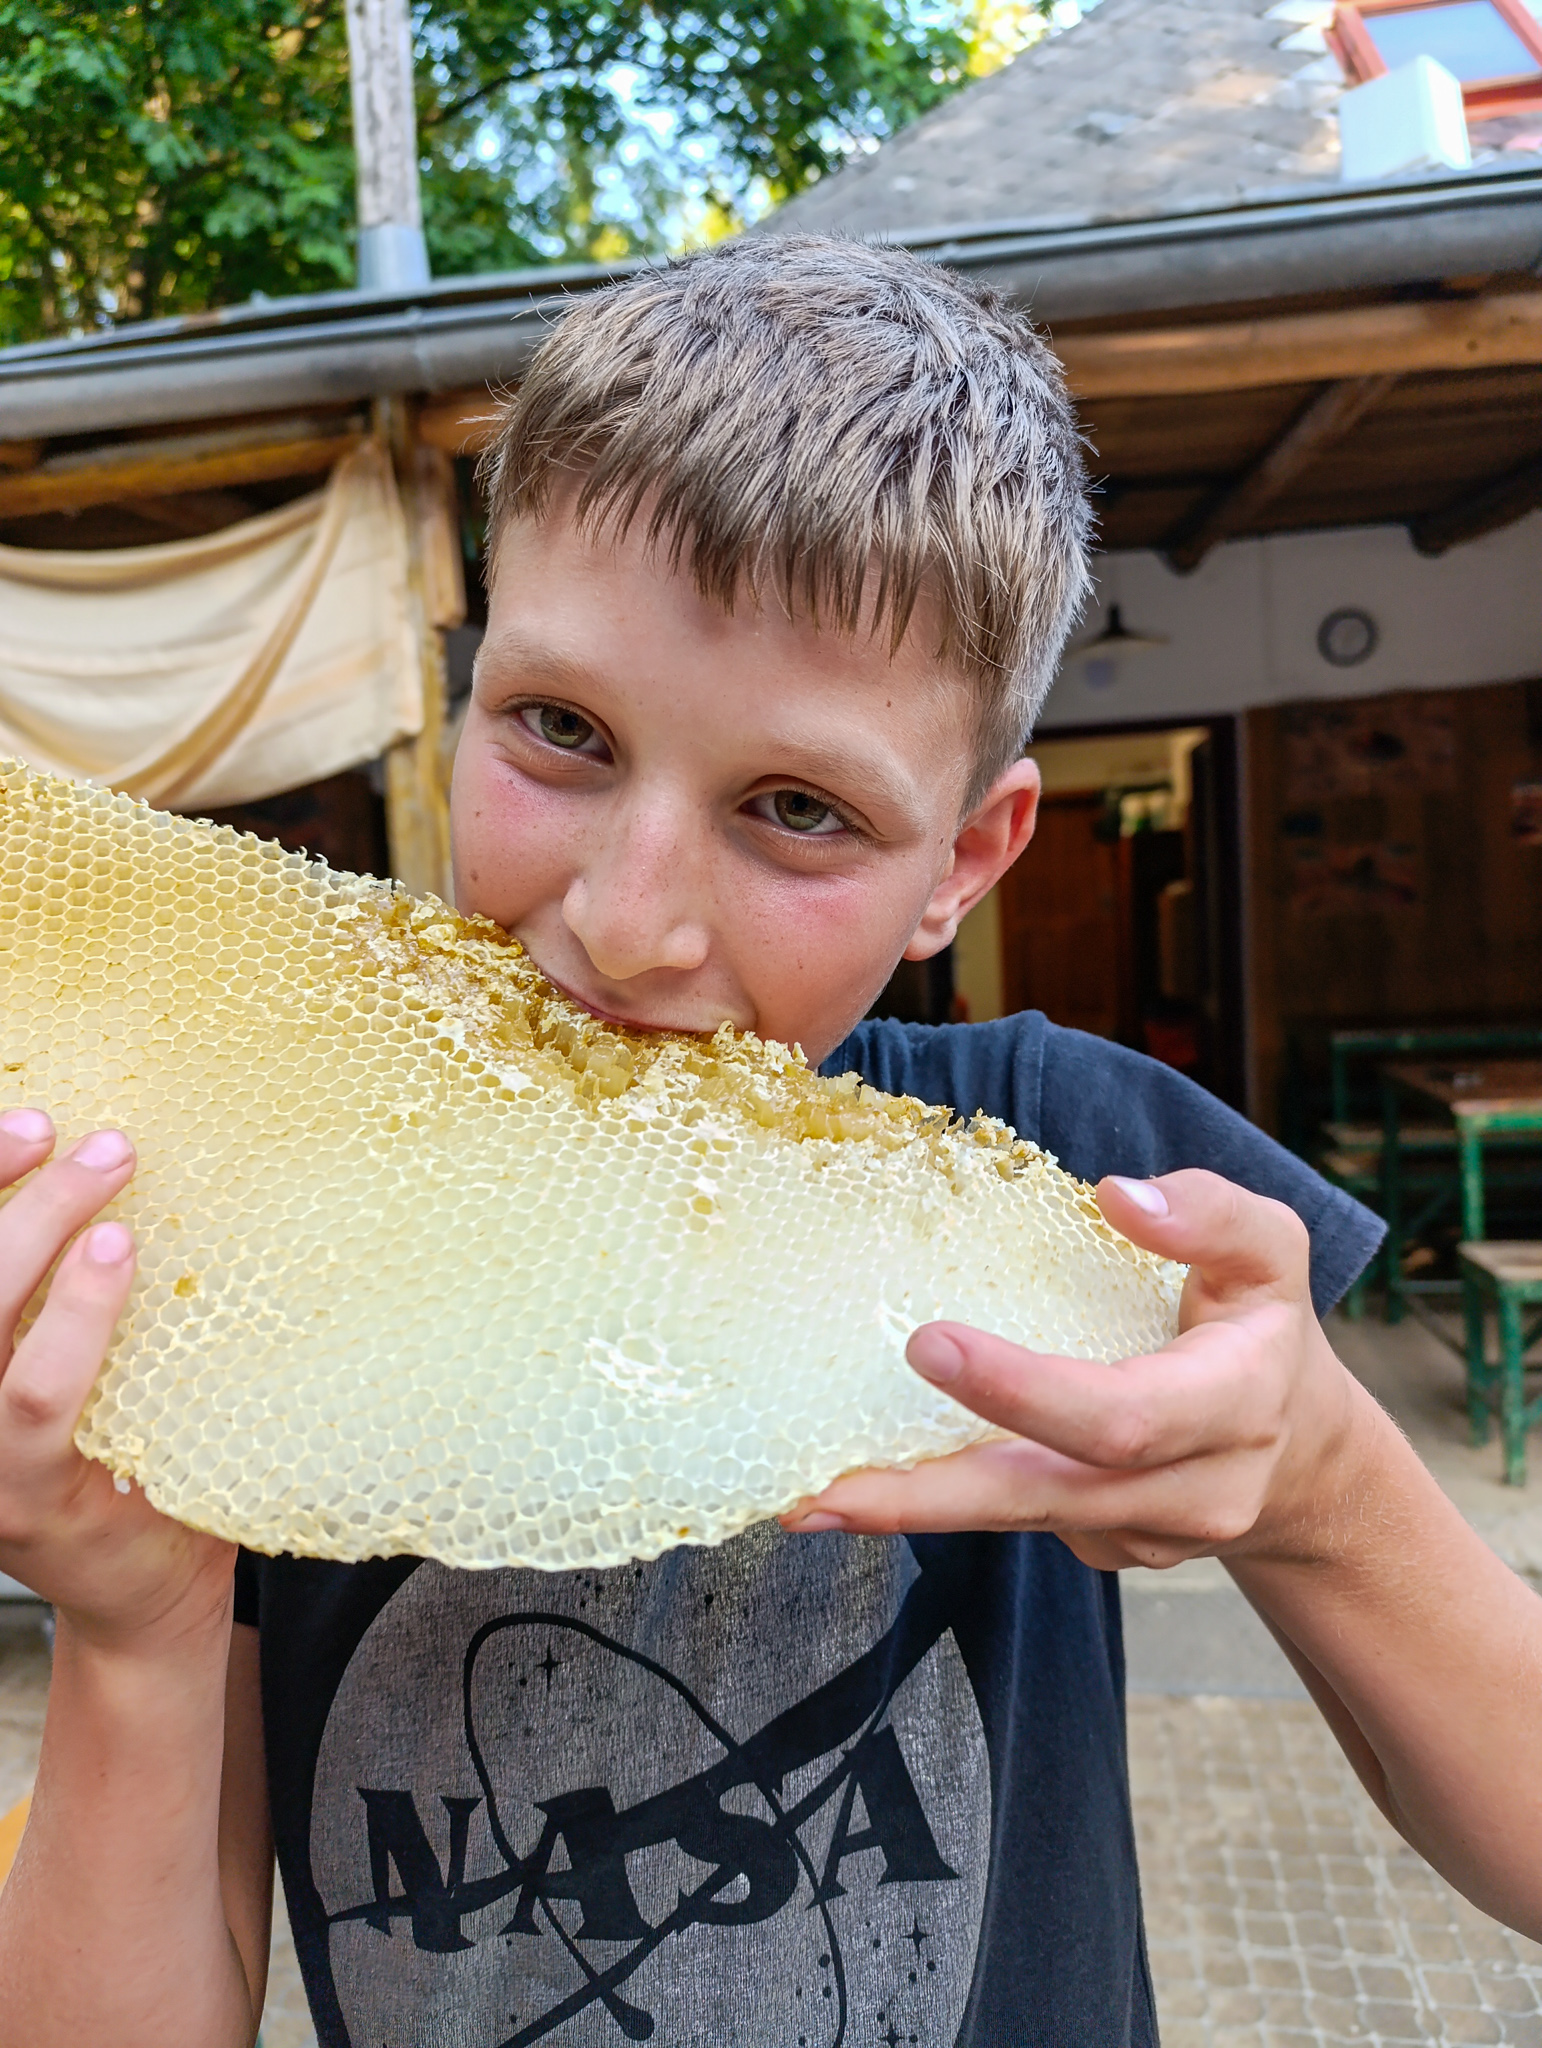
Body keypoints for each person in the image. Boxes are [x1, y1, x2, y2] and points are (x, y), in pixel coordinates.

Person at [2, 235, 1540, 2048]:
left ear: (962, 862)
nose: (627, 921)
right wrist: (133, 1626)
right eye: (560, 730)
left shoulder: (1070, 1168)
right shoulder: (237, 1256)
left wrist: (1317, 1492)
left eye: (797, 809)